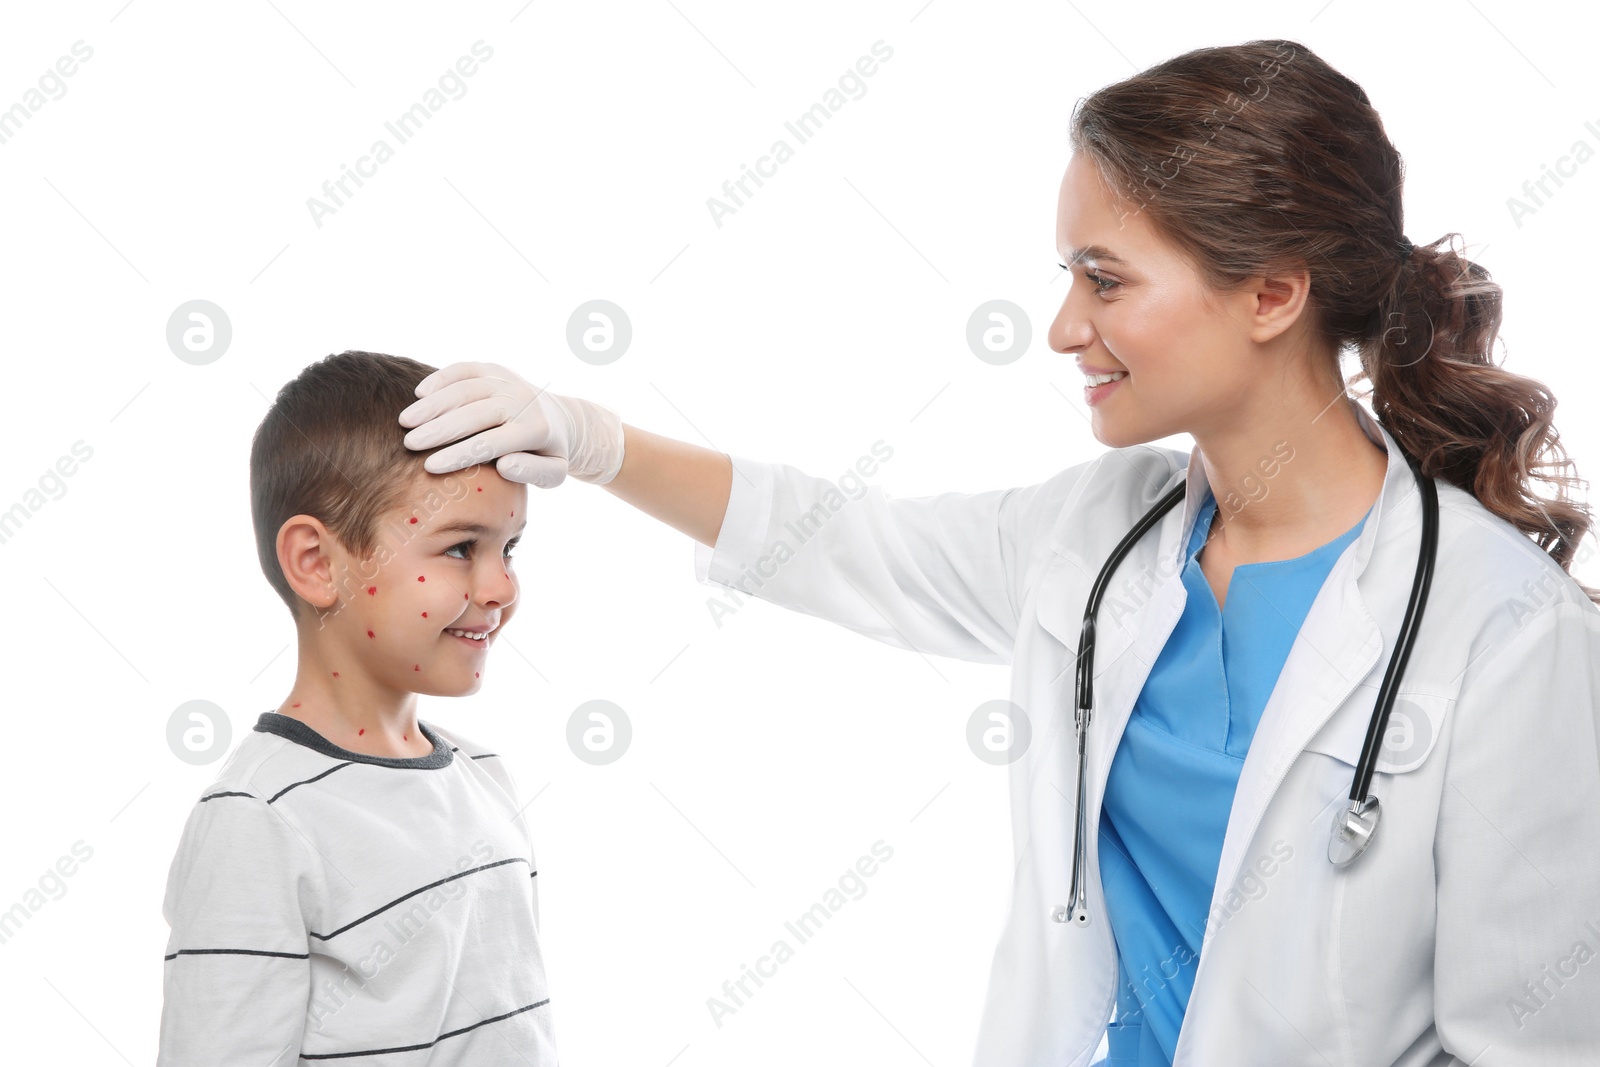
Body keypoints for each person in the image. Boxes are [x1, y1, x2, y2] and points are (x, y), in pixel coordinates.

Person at [397, 39, 1600, 1067]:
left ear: (1273, 291)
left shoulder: (1504, 635)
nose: (1063, 326)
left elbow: (1533, 1041)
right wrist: (595, 441)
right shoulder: (1095, 537)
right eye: (1067, 275)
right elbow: (839, 543)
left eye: (1105, 279)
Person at [157, 352, 558, 1064]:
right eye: (463, 546)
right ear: (317, 562)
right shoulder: (260, 821)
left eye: (511, 548)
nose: (501, 587)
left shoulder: (484, 776)